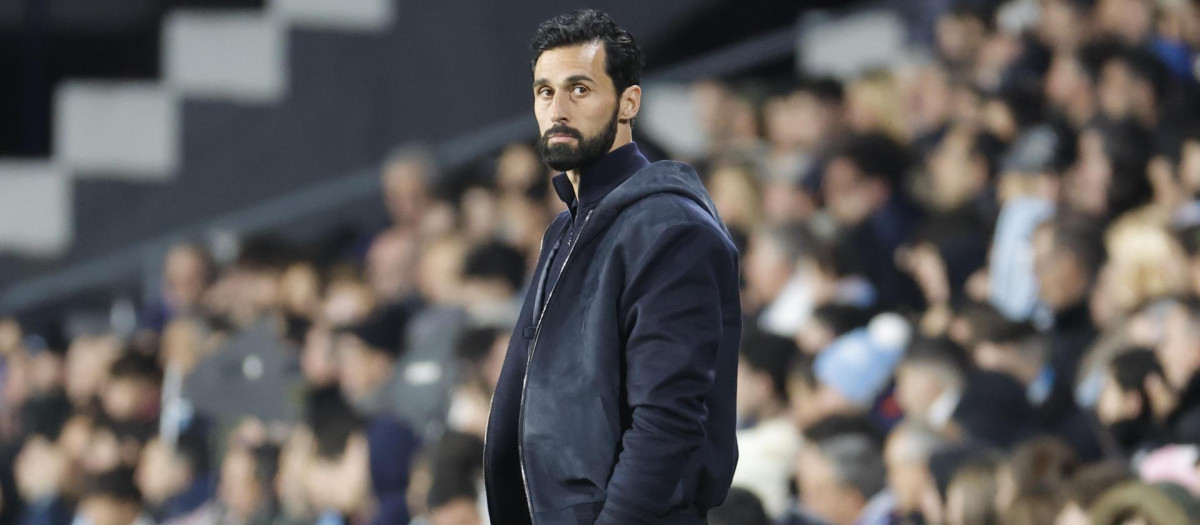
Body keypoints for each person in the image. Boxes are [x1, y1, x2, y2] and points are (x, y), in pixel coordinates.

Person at [483, 9, 742, 524]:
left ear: (629, 102)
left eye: (579, 89)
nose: (557, 109)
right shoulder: (568, 228)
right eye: (544, 92)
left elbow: (667, 423)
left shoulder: (670, 228)